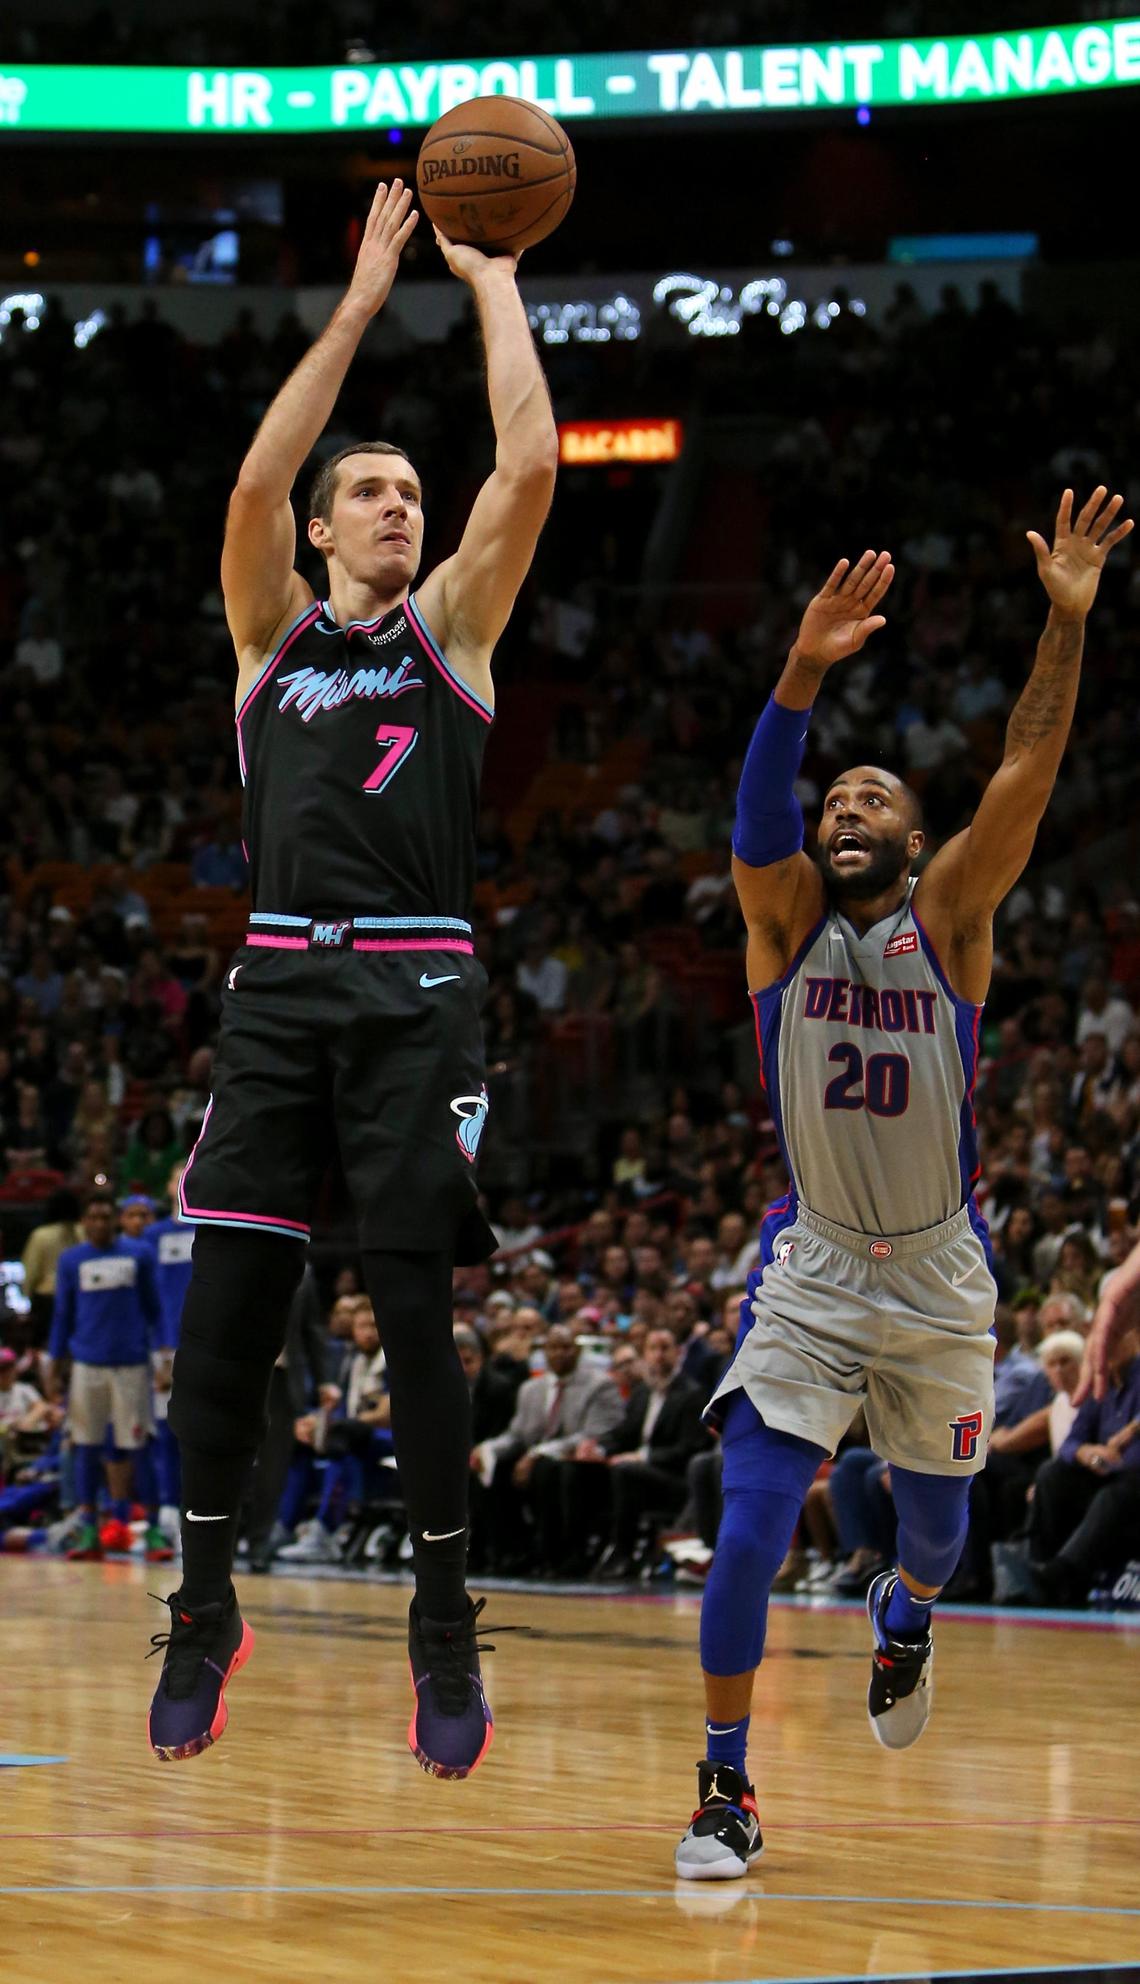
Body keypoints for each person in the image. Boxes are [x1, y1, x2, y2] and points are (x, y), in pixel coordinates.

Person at [146, 177, 558, 1780]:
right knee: (230, 1315)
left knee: (413, 1312)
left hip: (415, 996)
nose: (400, 506)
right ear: (324, 531)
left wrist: (491, 280)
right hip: (276, 992)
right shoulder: (274, 644)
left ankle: (443, 1622)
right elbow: (254, 474)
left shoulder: (451, 628)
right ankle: (201, 1603)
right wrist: (362, 306)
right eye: (371, 492)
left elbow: (525, 465)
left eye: (408, 488)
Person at [676, 487, 1133, 1879]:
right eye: (839, 796)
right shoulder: (780, 926)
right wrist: (802, 676)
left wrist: (1064, 629)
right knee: (747, 1525)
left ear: (918, 843)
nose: (848, 804)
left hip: (938, 1277)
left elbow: (1029, 767)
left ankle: (906, 1615)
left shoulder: (951, 921)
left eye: (880, 796)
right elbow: (760, 811)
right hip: (814, 1268)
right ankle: (726, 1790)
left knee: (934, 1533)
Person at [48, 1192, 164, 1561]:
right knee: (86, 1446)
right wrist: (54, 1363)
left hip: (131, 1365)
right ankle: (87, 1530)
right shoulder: (71, 1260)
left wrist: (162, 1357)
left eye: (105, 1216)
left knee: (138, 1447)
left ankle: (156, 1529)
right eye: (92, 1217)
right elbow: (63, 1314)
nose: (99, 1223)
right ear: (84, 1221)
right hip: (87, 1366)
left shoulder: (139, 1254)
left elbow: (154, 1309)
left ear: (114, 1219)